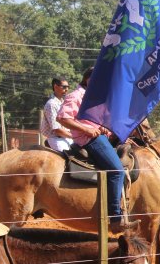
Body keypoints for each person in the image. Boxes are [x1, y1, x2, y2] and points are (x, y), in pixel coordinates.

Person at [57, 68, 135, 234]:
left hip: (96, 136)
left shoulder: (92, 97)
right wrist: (87, 130)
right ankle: (115, 217)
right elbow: (62, 118)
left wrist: (103, 129)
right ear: (88, 80)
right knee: (116, 170)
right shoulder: (76, 95)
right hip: (88, 139)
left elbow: (94, 121)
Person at [40, 77, 73, 151]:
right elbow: (57, 130)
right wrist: (74, 136)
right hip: (56, 139)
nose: (67, 89)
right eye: (64, 87)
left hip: (67, 137)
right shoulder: (51, 104)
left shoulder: (63, 102)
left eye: (68, 87)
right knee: (68, 159)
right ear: (55, 86)